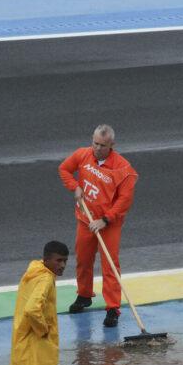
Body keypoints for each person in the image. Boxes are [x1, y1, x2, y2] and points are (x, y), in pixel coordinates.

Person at [57, 124, 138, 327]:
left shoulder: (124, 170)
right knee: (83, 259)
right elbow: (64, 169)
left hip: (109, 224)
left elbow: (124, 201)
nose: (97, 148)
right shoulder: (83, 154)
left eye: (102, 145)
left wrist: (105, 220)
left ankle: (112, 308)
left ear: (112, 145)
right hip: (85, 219)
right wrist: (74, 186)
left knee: (110, 265)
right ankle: (84, 295)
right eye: (95, 143)